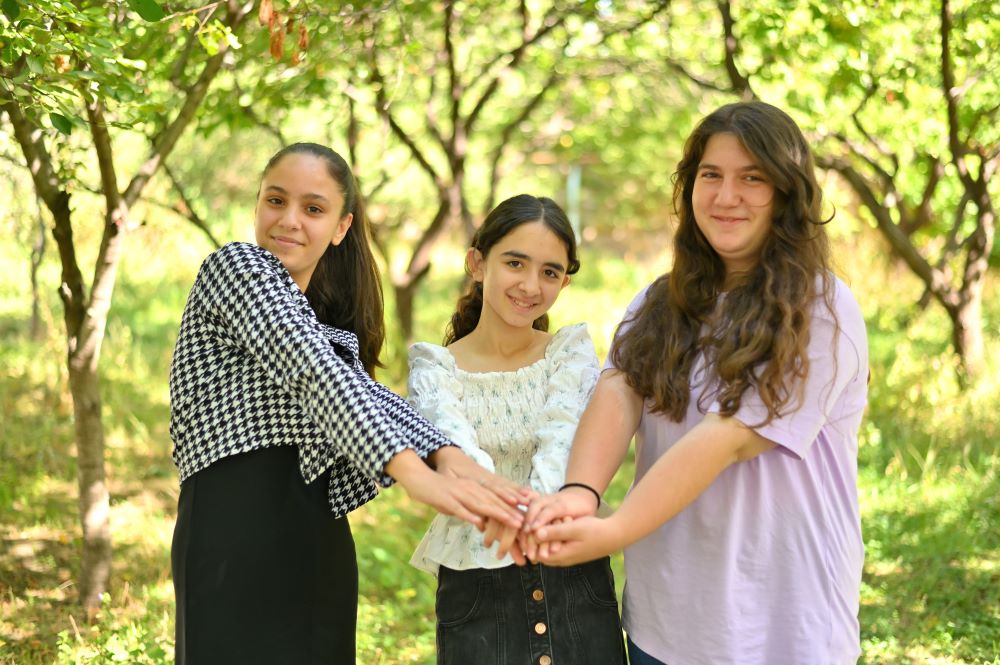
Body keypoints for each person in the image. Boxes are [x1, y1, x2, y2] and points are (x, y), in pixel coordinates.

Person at [524, 101, 869, 665]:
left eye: (751, 178)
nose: (726, 196)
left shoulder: (821, 309)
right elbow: (620, 392)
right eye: (711, 175)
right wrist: (580, 495)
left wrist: (612, 533)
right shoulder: (661, 299)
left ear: (787, 193)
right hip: (666, 622)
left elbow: (727, 437)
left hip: (780, 625)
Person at [168, 143, 528, 664]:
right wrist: (418, 476)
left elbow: (362, 391)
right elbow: (317, 375)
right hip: (231, 534)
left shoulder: (319, 320)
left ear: (340, 227)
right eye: (275, 200)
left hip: (317, 537)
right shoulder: (236, 269)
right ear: (257, 205)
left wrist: (451, 459)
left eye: (313, 209)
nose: (289, 220)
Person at [406, 194, 626, 665]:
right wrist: (509, 517)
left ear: (564, 282)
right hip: (479, 581)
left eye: (549, 272)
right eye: (515, 263)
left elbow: (564, 440)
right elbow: (459, 456)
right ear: (477, 263)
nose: (530, 285)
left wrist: (532, 520)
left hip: (573, 573)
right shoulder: (435, 368)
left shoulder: (570, 355)